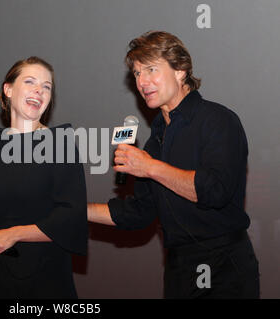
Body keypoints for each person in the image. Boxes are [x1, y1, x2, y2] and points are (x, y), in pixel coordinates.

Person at [88, 31, 260, 298]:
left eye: (150, 70)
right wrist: (75, 209)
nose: (141, 81)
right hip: (178, 269)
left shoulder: (218, 120)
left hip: (224, 267)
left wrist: (150, 168)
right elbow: (138, 213)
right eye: (136, 73)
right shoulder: (155, 142)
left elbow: (214, 190)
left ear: (181, 70)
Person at [0, 56, 87, 298]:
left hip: (48, 279)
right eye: (31, 81)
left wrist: (14, 234)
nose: (39, 90)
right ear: (8, 89)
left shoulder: (60, 143)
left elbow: (71, 218)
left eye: (46, 87)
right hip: (0, 278)